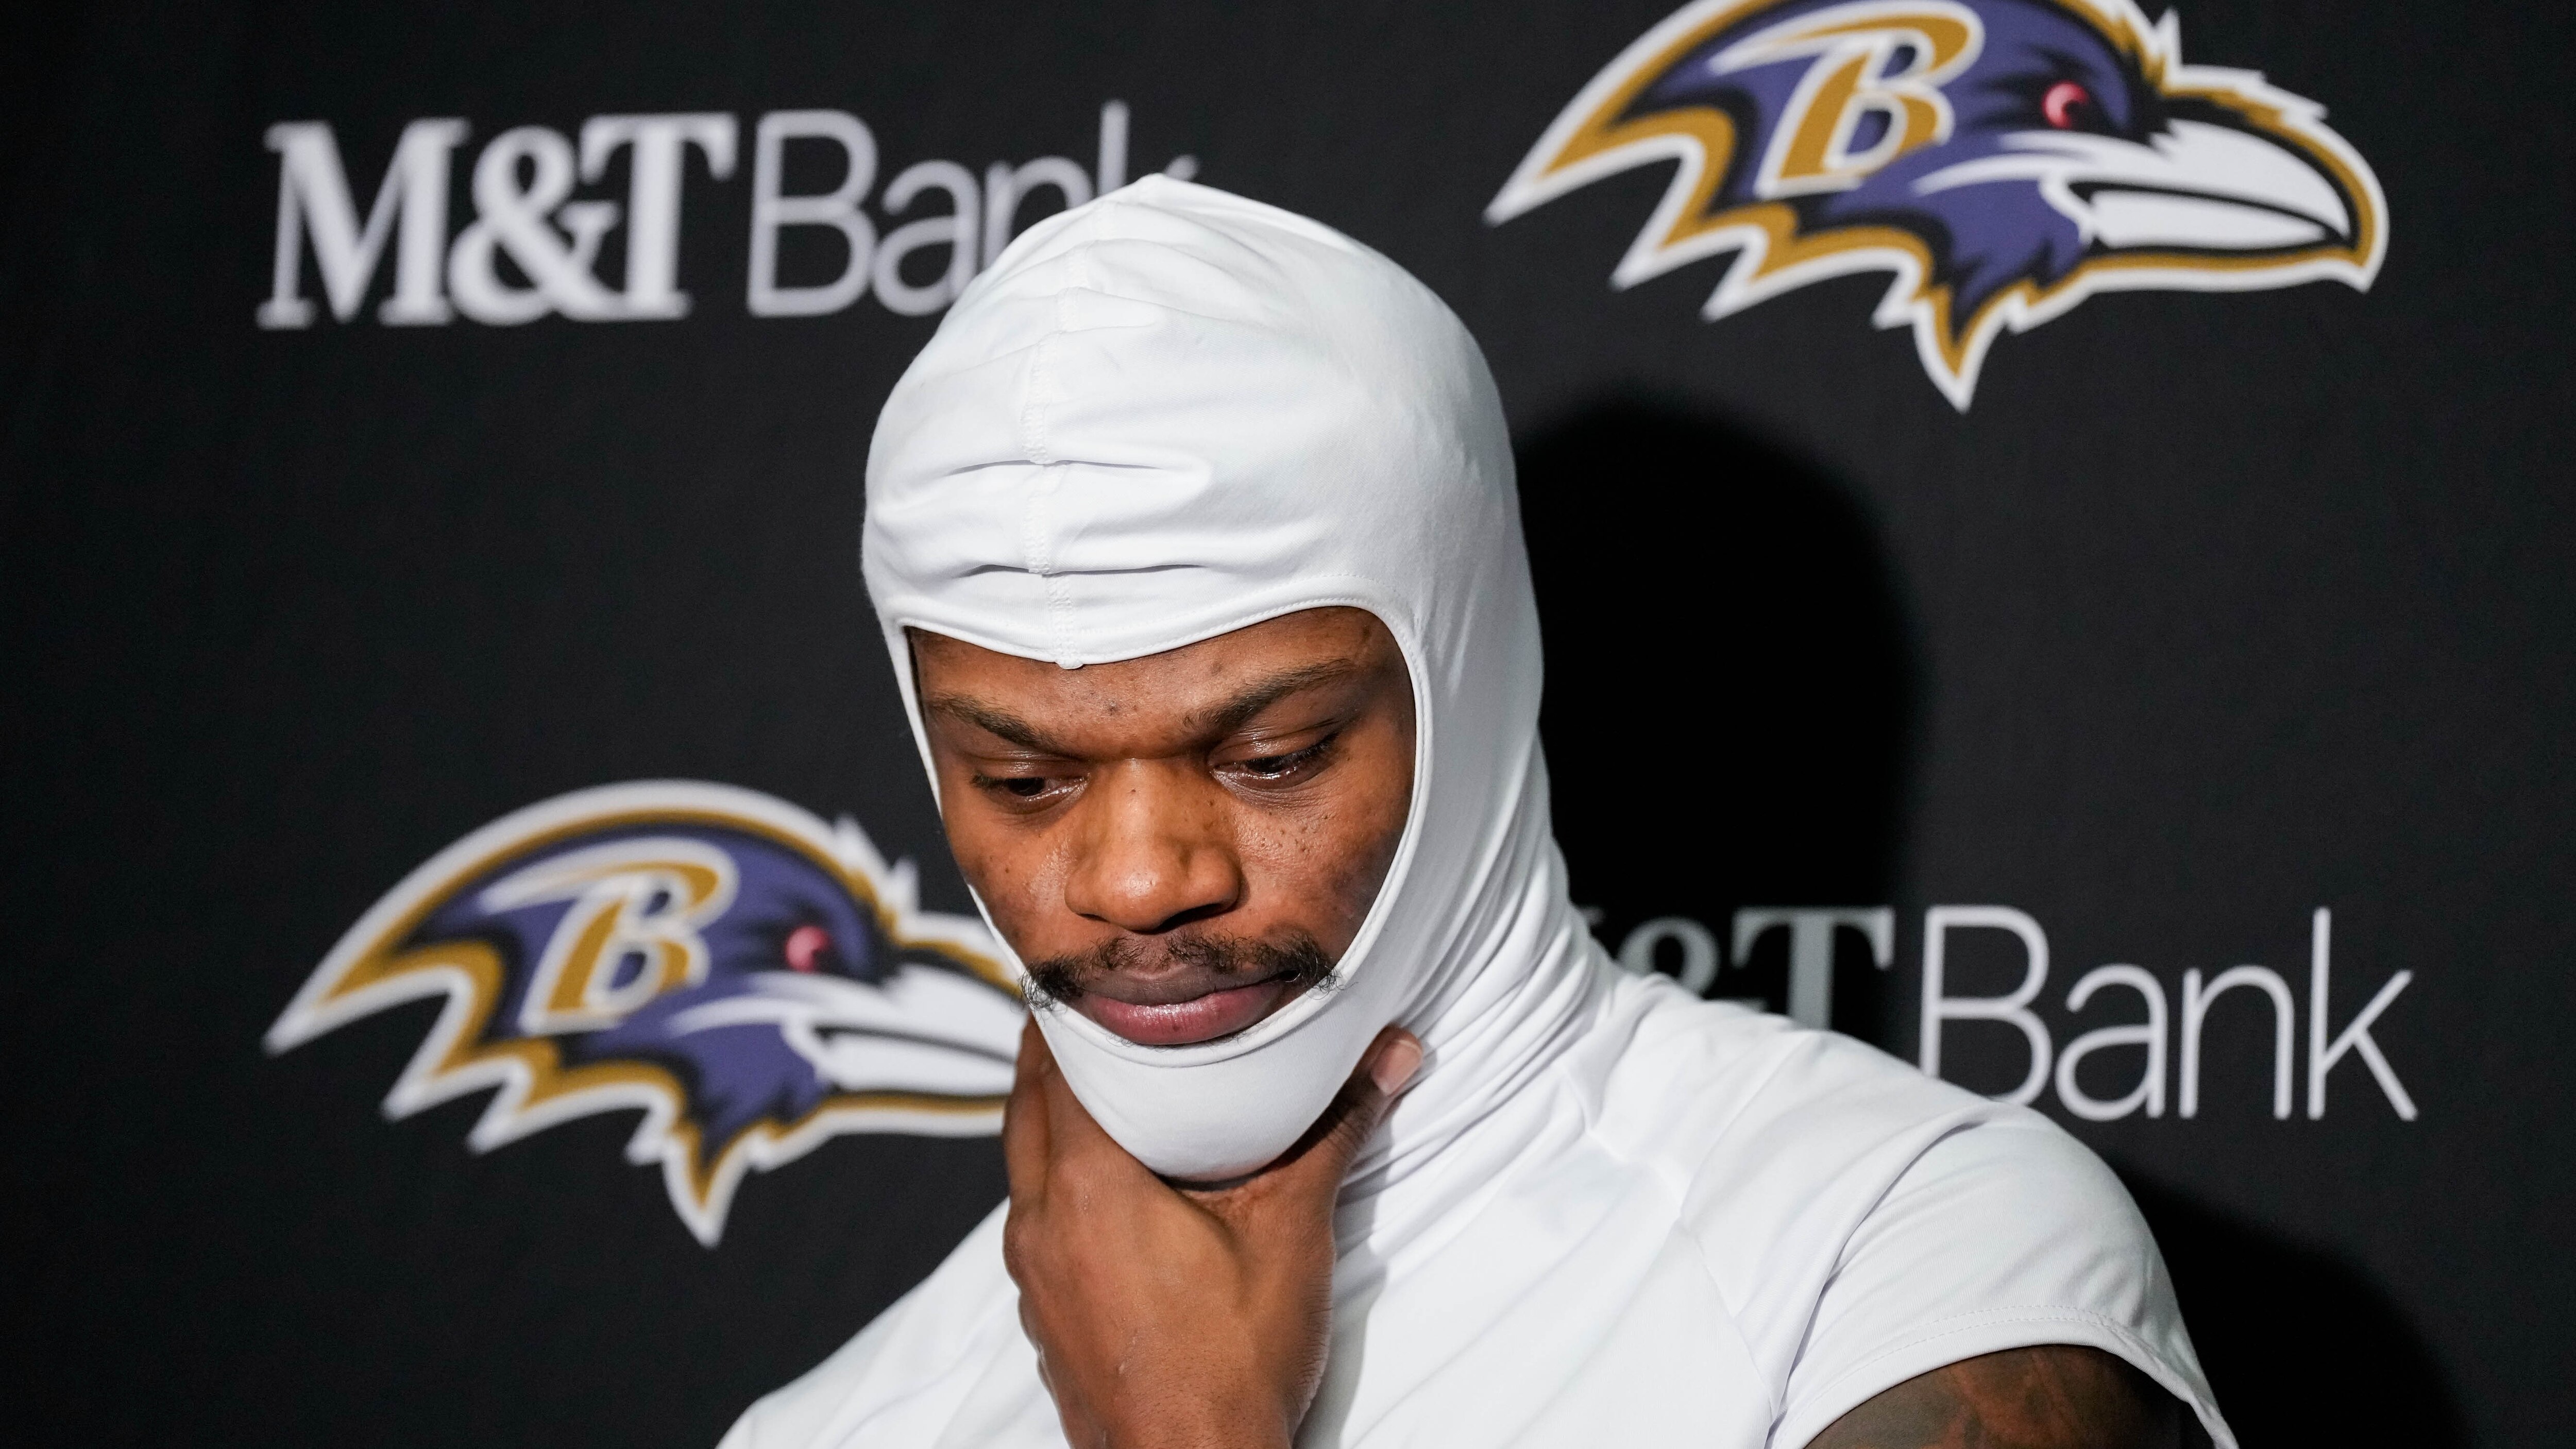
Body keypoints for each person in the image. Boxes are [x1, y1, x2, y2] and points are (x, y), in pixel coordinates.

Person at [720, 176, 2232, 1449]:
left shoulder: (1907, 1263)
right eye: (1026, 782)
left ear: (1476, 685)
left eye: (1274, 756)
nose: (1136, 880)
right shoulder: (831, 1430)